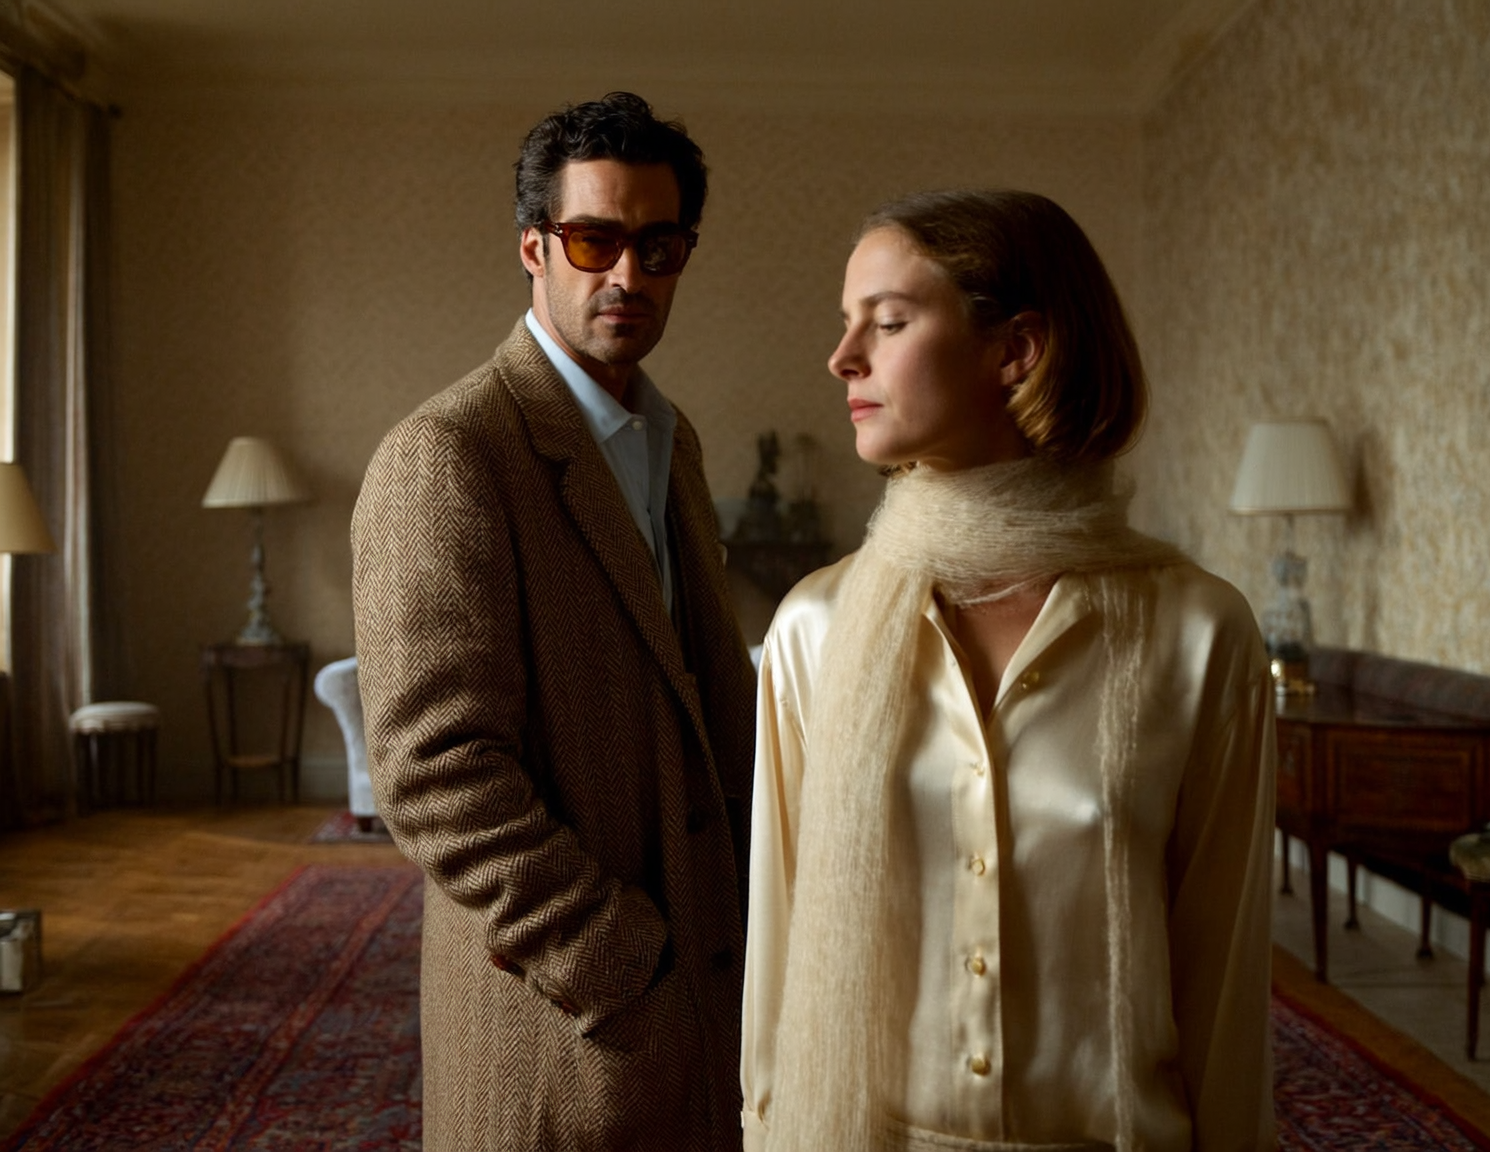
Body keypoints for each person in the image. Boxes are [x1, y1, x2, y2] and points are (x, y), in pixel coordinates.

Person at [740, 190, 1276, 1151]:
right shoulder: (814, 630)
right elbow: (777, 947)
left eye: (888, 322)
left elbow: (1224, 979)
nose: (844, 356)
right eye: (848, 321)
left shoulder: (1199, 633)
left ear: (1015, 350)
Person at [353, 92, 756, 1152]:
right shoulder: (447, 454)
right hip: (561, 1023)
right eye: (594, 240)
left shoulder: (674, 441)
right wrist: (618, 961)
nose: (628, 275)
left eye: (658, 247)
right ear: (533, 247)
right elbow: (433, 770)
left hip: (706, 1004)